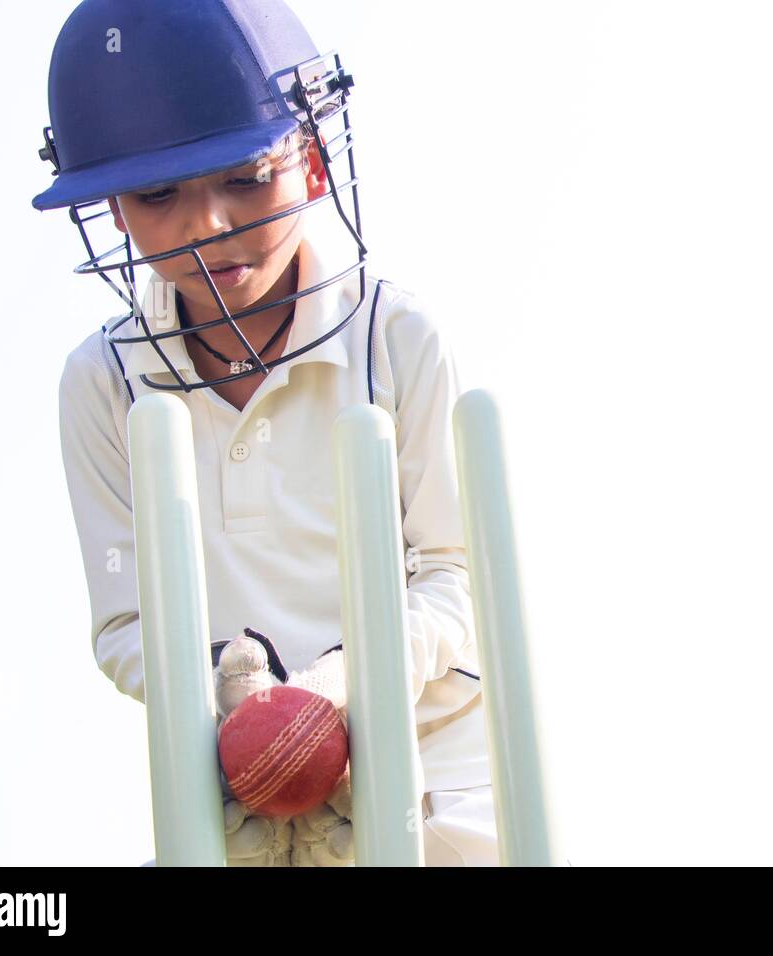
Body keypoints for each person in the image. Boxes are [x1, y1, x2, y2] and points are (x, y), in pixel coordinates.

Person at [35, 0, 498, 866]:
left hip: (440, 783)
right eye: (158, 193)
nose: (207, 225)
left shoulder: (397, 338)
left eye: (247, 175)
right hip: (235, 801)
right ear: (110, 208)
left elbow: (455, 574)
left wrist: (344, 683)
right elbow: (124, 620)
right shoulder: (102, 384)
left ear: (313, 162)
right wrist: (223, 696)